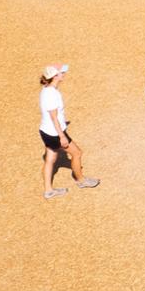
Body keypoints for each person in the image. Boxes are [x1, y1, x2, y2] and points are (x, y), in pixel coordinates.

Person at [38, 64, 101, 199]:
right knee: (77, 153)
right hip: (55, 134)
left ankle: (48, 190)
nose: (63, 74)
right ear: (54, 77)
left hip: (45, 131)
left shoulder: (46, 90)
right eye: (60, 73)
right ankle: (81, 180)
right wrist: (62, 137)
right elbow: (54, 117)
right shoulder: (52, 95)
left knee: (50, 159)